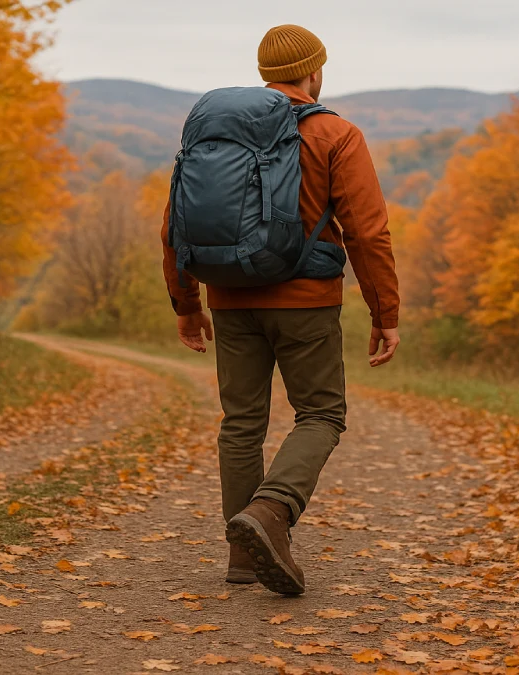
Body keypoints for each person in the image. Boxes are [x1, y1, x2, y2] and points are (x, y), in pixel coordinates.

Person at [160, 24, 400, 595]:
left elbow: (173, 225)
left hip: (230, 297)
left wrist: (186, 304)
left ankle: (243, 558)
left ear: (267, 73)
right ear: (314, 70)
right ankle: (270, 513)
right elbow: (368, 233)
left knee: (242, 423)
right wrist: (384, 312)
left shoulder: (218, 133)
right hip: (306, 301)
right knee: (321, 414)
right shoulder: (335, 134)